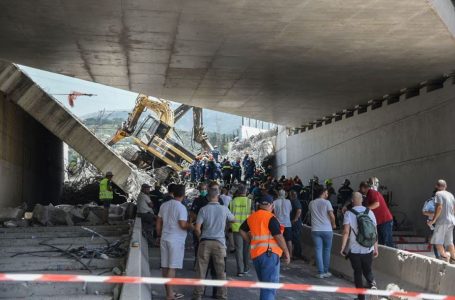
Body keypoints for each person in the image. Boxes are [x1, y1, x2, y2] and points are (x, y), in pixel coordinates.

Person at [240, 195, 290, 300]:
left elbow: (242, 230)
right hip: (269, 255)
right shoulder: (270, 218)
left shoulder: (252, 217)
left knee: (265, 285)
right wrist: (286, 251)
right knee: (269, 288)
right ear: (271, 205)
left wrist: (249, 241)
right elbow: (278, 236)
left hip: (256, 255)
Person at [192, 187, 235, 300]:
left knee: (201, 270)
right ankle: (222, 295)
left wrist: (200, 237)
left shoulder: (203, 209)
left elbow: (197, 228)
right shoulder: (224, 209)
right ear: (218, 196)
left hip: (205, 242)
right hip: (220, 244)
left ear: (207, 197)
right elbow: (233, 219)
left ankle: (198, 295)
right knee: (221, 271)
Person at [156, 184, 193, 300]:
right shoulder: (181, 207)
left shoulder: (164, 205)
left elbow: (158, 222)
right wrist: (190, 226)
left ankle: (169, 293)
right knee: (172, 267)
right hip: (176, 240)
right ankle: (170, 295)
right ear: (183, 195)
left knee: (165, 267)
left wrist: (158, 235)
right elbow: (182, 225)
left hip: (165, 238)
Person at [340, 192, 378, 300]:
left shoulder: (348, 213)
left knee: (357, 273)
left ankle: (361, 298)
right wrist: (376, 248)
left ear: (352, 200)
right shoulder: (370, 212)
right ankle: (373, 285)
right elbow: (374, 232)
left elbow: (346, 232)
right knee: (368, 271)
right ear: (362, 200)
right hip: (368, 248)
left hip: (355, 249)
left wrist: (343, 248)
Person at [309, 187, 336, 278]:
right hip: (327, 229)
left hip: (316, 229)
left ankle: (320, 272)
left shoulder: (311, 203)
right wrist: (334, 224)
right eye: (327, 193)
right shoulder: (327, 203)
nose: (327, 195)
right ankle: (326, 271)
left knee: (318, 250)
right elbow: (331, 215)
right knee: (327, 250)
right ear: (323, 193)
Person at [359, 181, 394, 247]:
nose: (361, 191)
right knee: (380, 241)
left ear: (363, 188)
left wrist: (365, 210)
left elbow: (376, 204)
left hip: (385, 220)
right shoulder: (367, 196)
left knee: (387, 241)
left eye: (361, 189)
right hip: (379, 222)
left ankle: (392, 255)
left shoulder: (372, 192)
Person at [427, 179, 455, 262]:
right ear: (445, 186)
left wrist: (433, 220)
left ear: (436, 186)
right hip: (451, 221)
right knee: (449, 242)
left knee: (437, 241)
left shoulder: (438, 194)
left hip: (442, 221)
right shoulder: (451, 195)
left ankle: (445, 257)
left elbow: (439, 207)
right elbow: (454, 208)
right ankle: (453, 258)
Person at [229, 184, 253, 276]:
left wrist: (229, 226)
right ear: (246, 191)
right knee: (246, 250)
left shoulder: (232, 202)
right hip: (247, 230)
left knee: (238, 250)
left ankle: (240, 270)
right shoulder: (250, 202)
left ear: (238, 191)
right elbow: (253, 214)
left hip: (236, 228)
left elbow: (229, 215)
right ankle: (246, 268)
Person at [273, 190, 293, 260]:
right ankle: (290, 255)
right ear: (285, 194)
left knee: (279, 239)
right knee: (289, 240)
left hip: (278, 224)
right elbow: (290, 211)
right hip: (287, 223)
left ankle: (279, 254)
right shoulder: (288, 201)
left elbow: (273, 211)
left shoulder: (275, 202)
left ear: (278, 194)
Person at [422, 189, 440, 259]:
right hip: (434, 222)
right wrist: (434, 214)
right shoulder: (430, 202)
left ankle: (442, 255)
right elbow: (424, 212)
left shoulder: (444, 201)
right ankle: (438, 257)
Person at [289, 190, 303, 259]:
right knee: (294, 238)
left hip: (296, 223)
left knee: (296, 238)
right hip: (294, 222)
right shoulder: (293, 201)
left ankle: (297, 254)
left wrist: (295, 219)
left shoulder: (295, 201)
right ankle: (296, 253)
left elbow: (299, 210)